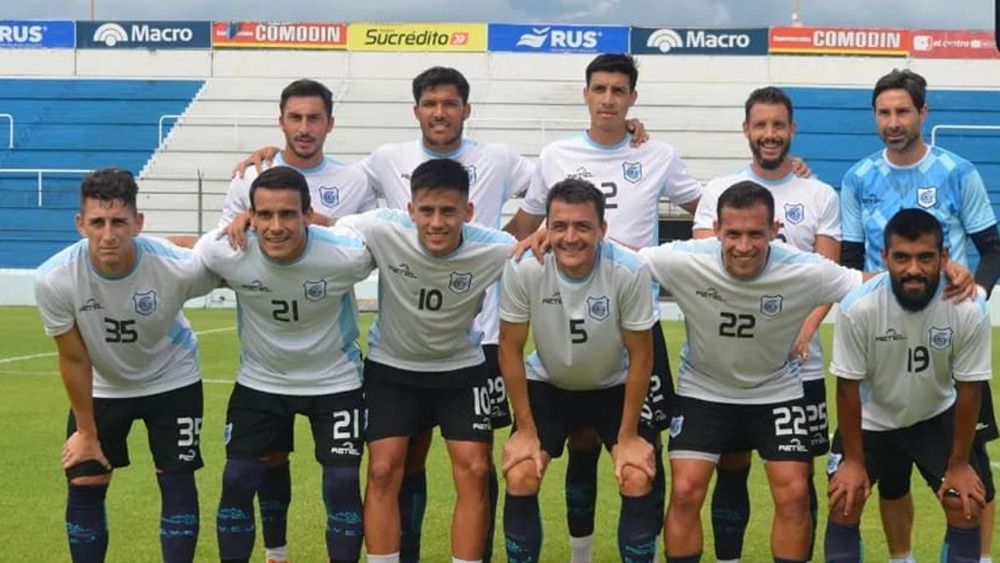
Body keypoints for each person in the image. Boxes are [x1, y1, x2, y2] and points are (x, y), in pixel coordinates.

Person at [504, 53, 702, 562]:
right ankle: (581, 553)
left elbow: (712, 210)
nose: (608, 99)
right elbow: (524, 228)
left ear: (632, 98)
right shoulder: (555, 155)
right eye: (600, 89)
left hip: (633, 315)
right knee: (576, 448)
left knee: (640, 461)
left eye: (618, 90)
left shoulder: (657, 153)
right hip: (563, 310)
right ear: (585, 94)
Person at [639, 180, 871, 562]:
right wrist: (547, 235)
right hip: (704, 389)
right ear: (717, 231)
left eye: (754, 234)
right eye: (733, 234)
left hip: (775, 389)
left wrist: (943, 275)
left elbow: (866, 284)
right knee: (685, 490)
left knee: (795, 492)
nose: (743, 246)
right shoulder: (686, 259)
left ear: (775, 231)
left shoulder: (804, 270)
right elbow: (619, 259)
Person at [840, 68, 1000, 563]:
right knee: (891, 479)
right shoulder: (858, 178)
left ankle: (981, 556)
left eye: (902, 111)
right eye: (884, 112)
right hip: (884, 332)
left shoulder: (956, 171)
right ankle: (901, 557)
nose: (893, 122)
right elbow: (848, 261)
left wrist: (973, 290)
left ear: (922, 113)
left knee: (974, 483)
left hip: (948, 334)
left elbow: (991, 248)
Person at [218, 78, 374, 563]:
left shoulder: (356, 181)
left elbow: (375, 243)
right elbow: (223, 243)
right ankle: (276, 554)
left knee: (344, 479)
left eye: (314, 118)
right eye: (295, 118)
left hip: (334, 366)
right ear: (280, 120)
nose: (304, 128)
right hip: (264, 369)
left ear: (331, 122)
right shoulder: (249, 177)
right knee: (256, 468)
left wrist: (321, 225)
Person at [33, 168, 219, 563]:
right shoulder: (55, 279)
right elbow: (73, 357)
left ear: (138, 223)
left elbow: (219, 257)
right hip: (103, 384)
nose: (108, 234)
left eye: (119, 222)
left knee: (177, 480)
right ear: (80, 224)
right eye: (97, 222)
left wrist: (242, 223)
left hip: (173, 378)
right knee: (84, 479)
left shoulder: (178, 267)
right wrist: (86, 430)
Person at [336, 158, 515, 563]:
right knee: (383, 470)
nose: (437, 222)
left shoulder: (494, 246)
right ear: (411, 210)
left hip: (461, 371)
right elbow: (326, 230)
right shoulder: (381, 227)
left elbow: (542, 248)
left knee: (475, 471)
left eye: (448, 211)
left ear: (467, 212)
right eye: (427, 211)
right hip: (393, 369)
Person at [691, 86, 840, 562]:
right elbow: (705, 271)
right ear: (747, 130)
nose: (770, 134)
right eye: (761, 125)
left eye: (779, 125)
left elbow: (828, 276)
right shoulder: (717, 192)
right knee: (730, 469)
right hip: (729, 367)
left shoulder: (819, 193)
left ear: (792, 129)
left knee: (797, 483)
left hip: (800, 368)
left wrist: (804, 332)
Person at [500, 178, 661, 562]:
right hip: (550, 384)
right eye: (560, 226)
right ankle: (580, 558)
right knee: (521, 472)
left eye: (583, 226)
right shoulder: (526, 268)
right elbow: (510, 346)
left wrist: (627, 436)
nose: (570, 237)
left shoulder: (629, 271)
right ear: (547, 228)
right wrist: (524, 429)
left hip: (614, 386)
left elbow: (642, 355)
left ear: (602, 230)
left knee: (637, 474)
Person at [825, 208, 994, 563]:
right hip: (872, 420)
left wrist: (959, 464)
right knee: (845, 500)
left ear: (943, 258)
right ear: (884, 256)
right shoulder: (859, 307)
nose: (913, 269)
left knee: (963, 503)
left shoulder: (968, 307)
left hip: (934, 414)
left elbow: (969, 390)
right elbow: (847, 388)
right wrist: (853, 460)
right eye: (901, 257)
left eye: (925, 258)